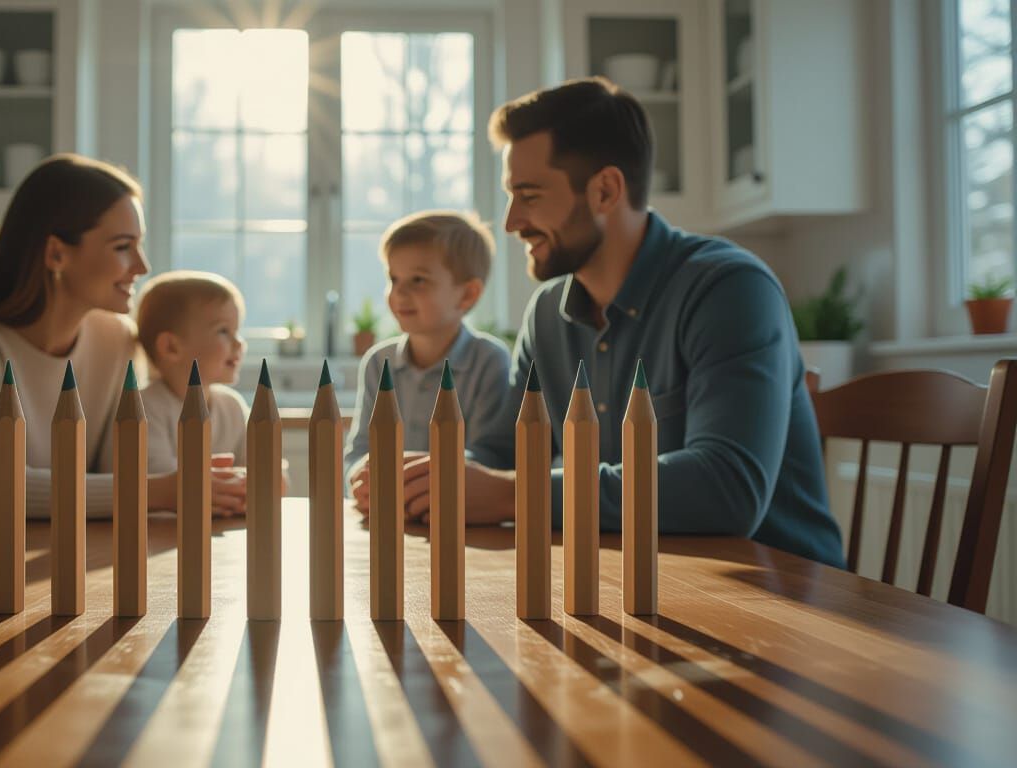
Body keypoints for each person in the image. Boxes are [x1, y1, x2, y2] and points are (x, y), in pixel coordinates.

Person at [396, 78, 845, 566]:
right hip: (638, 582)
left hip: (782, 601)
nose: (510, 222)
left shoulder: (730, 289)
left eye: (528, 194)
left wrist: (513, 495)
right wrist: (425, 481)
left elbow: (727, 488)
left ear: (605, 190)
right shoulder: (547, 313)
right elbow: (502, 454)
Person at [0, 153, 199, 518]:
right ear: (57, 253)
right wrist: (161, 490)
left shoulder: (117, 340)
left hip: (51, 550)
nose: (142, 266)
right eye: (123, 246)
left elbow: (116, 473)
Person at [344, 210, 511, 518]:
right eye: (394, 279)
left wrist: (422, 481)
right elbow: (359, 450)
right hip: (389, 519)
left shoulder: (490, 361)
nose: (400, 293)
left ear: (467, 294)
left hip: (457, 521)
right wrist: (358, 475)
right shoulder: (377, 363)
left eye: (418, 280)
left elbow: (491, 456)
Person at [134, 270, 252, 516]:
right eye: (223, 331)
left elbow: (257, 471)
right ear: (171, 346)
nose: (239, 343)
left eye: (237, 331)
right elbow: (161, 486)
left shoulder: (232, 406)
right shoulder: (144, 408)